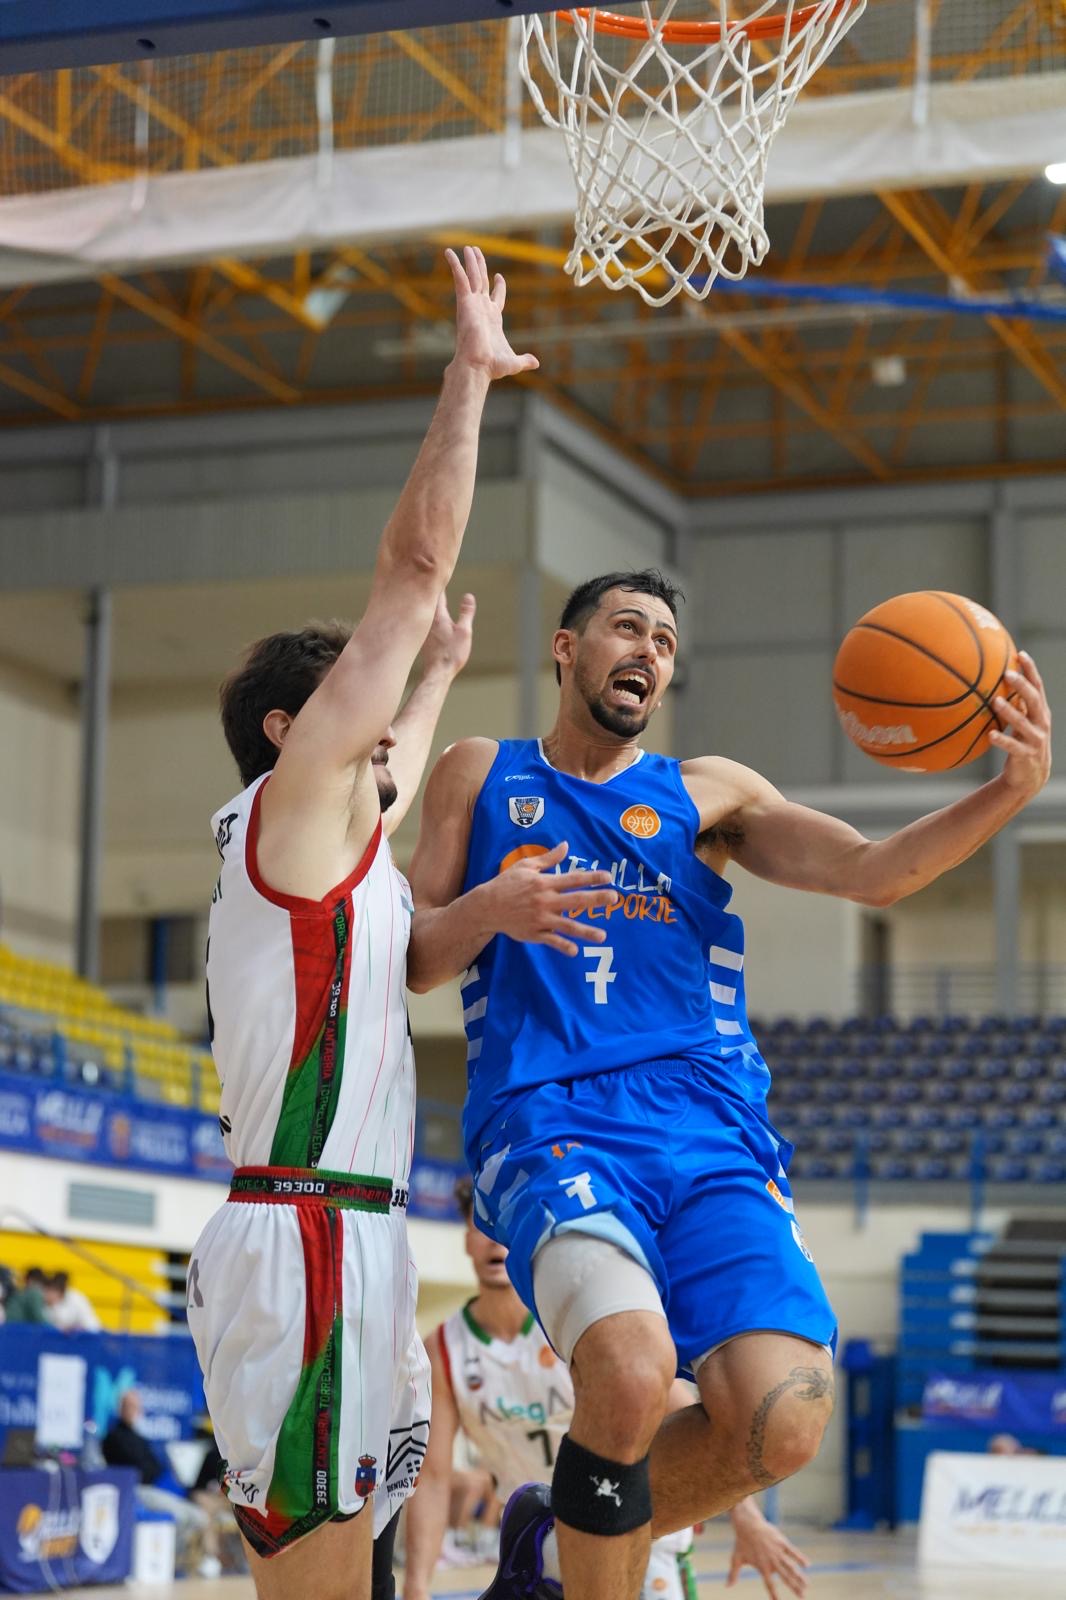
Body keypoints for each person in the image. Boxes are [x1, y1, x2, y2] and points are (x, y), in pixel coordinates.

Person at [405, 567, 1052, 1600]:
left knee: (781, 1417)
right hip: (550, 1116)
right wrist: (492, 908)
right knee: (628, 1371)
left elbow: (872, 871)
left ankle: (550, 1542)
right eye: (627, 629)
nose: (648, 652)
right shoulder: (478, 772)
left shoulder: (710, 792)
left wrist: (1009, 790)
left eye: (664, 641)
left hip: (708, 1128)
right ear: (567, 649)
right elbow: (414, 959)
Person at [185, 246, 540, 1600]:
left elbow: (392, 779)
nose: (381, 718)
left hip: (356, 1236)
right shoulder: (291, 812)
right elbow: (413, 565)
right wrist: (468, 379)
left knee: (370, 1580)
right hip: (308, 1235)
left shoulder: (336, 847)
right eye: (357, 699)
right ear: (292, 730)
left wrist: (438, 674)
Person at [404, 1178, 809, 1600]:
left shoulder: (575, 1316)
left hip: (638, 1531)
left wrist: (746, 1516)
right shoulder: (446, 1348)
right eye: (480, 1228)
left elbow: (685, 1415)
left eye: (501, 1228)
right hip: (538, 1552)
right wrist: (416, 1584)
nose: (493, 1241)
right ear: (466, 1241)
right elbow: (432, 1479)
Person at [102, 1388, 225, 1578]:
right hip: (133, 1491)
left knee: (197, 1516)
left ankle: (178, 1559)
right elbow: (137, 1470)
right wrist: (145, 1468)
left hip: (150, 1488)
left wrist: (145, 1468)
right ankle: (168, 1561)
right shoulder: (113, 1437)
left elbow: (154, 1467)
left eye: (136, 1407)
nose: (133, 1411)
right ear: (120, 1409)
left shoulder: (139, 1438)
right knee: (182, 1516)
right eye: (129, 1406)